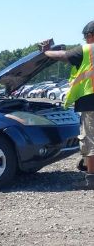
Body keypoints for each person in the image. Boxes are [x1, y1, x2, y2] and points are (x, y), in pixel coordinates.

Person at [40, 21, 94, 189]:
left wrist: (46, 51)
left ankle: (91, 178)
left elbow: (63, 56)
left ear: (90, 35)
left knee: (90, 139)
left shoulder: (88, 49)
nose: (85, 39)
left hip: (91, 101)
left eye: (85, 36)